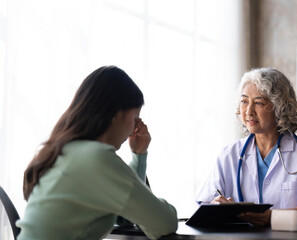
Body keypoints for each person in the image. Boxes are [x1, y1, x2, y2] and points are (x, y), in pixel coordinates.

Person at [17, 66, 178, 239]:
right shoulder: (96, 157)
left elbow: (124, 215)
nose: (135, 129)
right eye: (135, 119)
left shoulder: (68, 151)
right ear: (117, 114)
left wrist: (139, 156)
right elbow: (163, 222)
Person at [196, 68, 297, 226]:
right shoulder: (229, 154)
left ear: (279, 107)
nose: (249, 111)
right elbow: (204, 205)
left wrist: (271, 217)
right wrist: (215, 207)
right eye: (244, 102)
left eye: (259, 103)